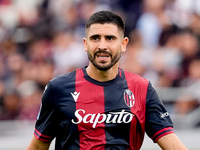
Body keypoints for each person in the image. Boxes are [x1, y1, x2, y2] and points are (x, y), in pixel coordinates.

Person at [26, 10, 188, 150]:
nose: (102, 45)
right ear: (85, 44)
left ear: (123, 44)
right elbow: (38, 146)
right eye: (95, 38)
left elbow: (172, 145)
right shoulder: (58, 88)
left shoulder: (142, 88)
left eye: (110, 38)